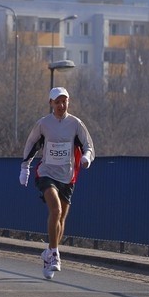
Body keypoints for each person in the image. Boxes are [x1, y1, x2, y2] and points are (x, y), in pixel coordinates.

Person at [19, 87, 95, 280]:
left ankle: (48, 254)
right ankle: (54, 253)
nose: (61, 105)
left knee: (61, 220)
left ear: (68, 102)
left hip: (68, 176)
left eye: (64, 101)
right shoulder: (44, 124)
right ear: (51, 103)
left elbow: (88, 146)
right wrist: (25, 167)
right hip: (46, 173)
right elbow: (31, 144)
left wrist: (86, 157)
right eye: (57, 102)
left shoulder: (75, 124)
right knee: (56, 210)